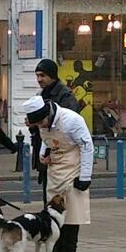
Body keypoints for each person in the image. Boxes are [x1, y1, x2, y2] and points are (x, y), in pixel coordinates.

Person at [22, 95, 93, 252]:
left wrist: (84, 177)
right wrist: (43, 154)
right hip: (56, 169)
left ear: (48, 114)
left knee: (71, 214)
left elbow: (87, 146)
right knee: (53, 212)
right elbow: (47, 140)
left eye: (41, 122)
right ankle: (55, 250)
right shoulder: (43, 122)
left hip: (72, 167)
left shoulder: (72, 120)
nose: (40, 126)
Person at [31, 59, 79, 199]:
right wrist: (33, 124)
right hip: (46, 151)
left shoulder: (64, 95)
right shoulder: (41, 95)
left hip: (61, 153)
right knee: (49, 195)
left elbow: (68, 123)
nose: (39, 79)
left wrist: (41, 123)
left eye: (42, 75)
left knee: (61, 197)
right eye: (37, 76)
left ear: (52, 75)